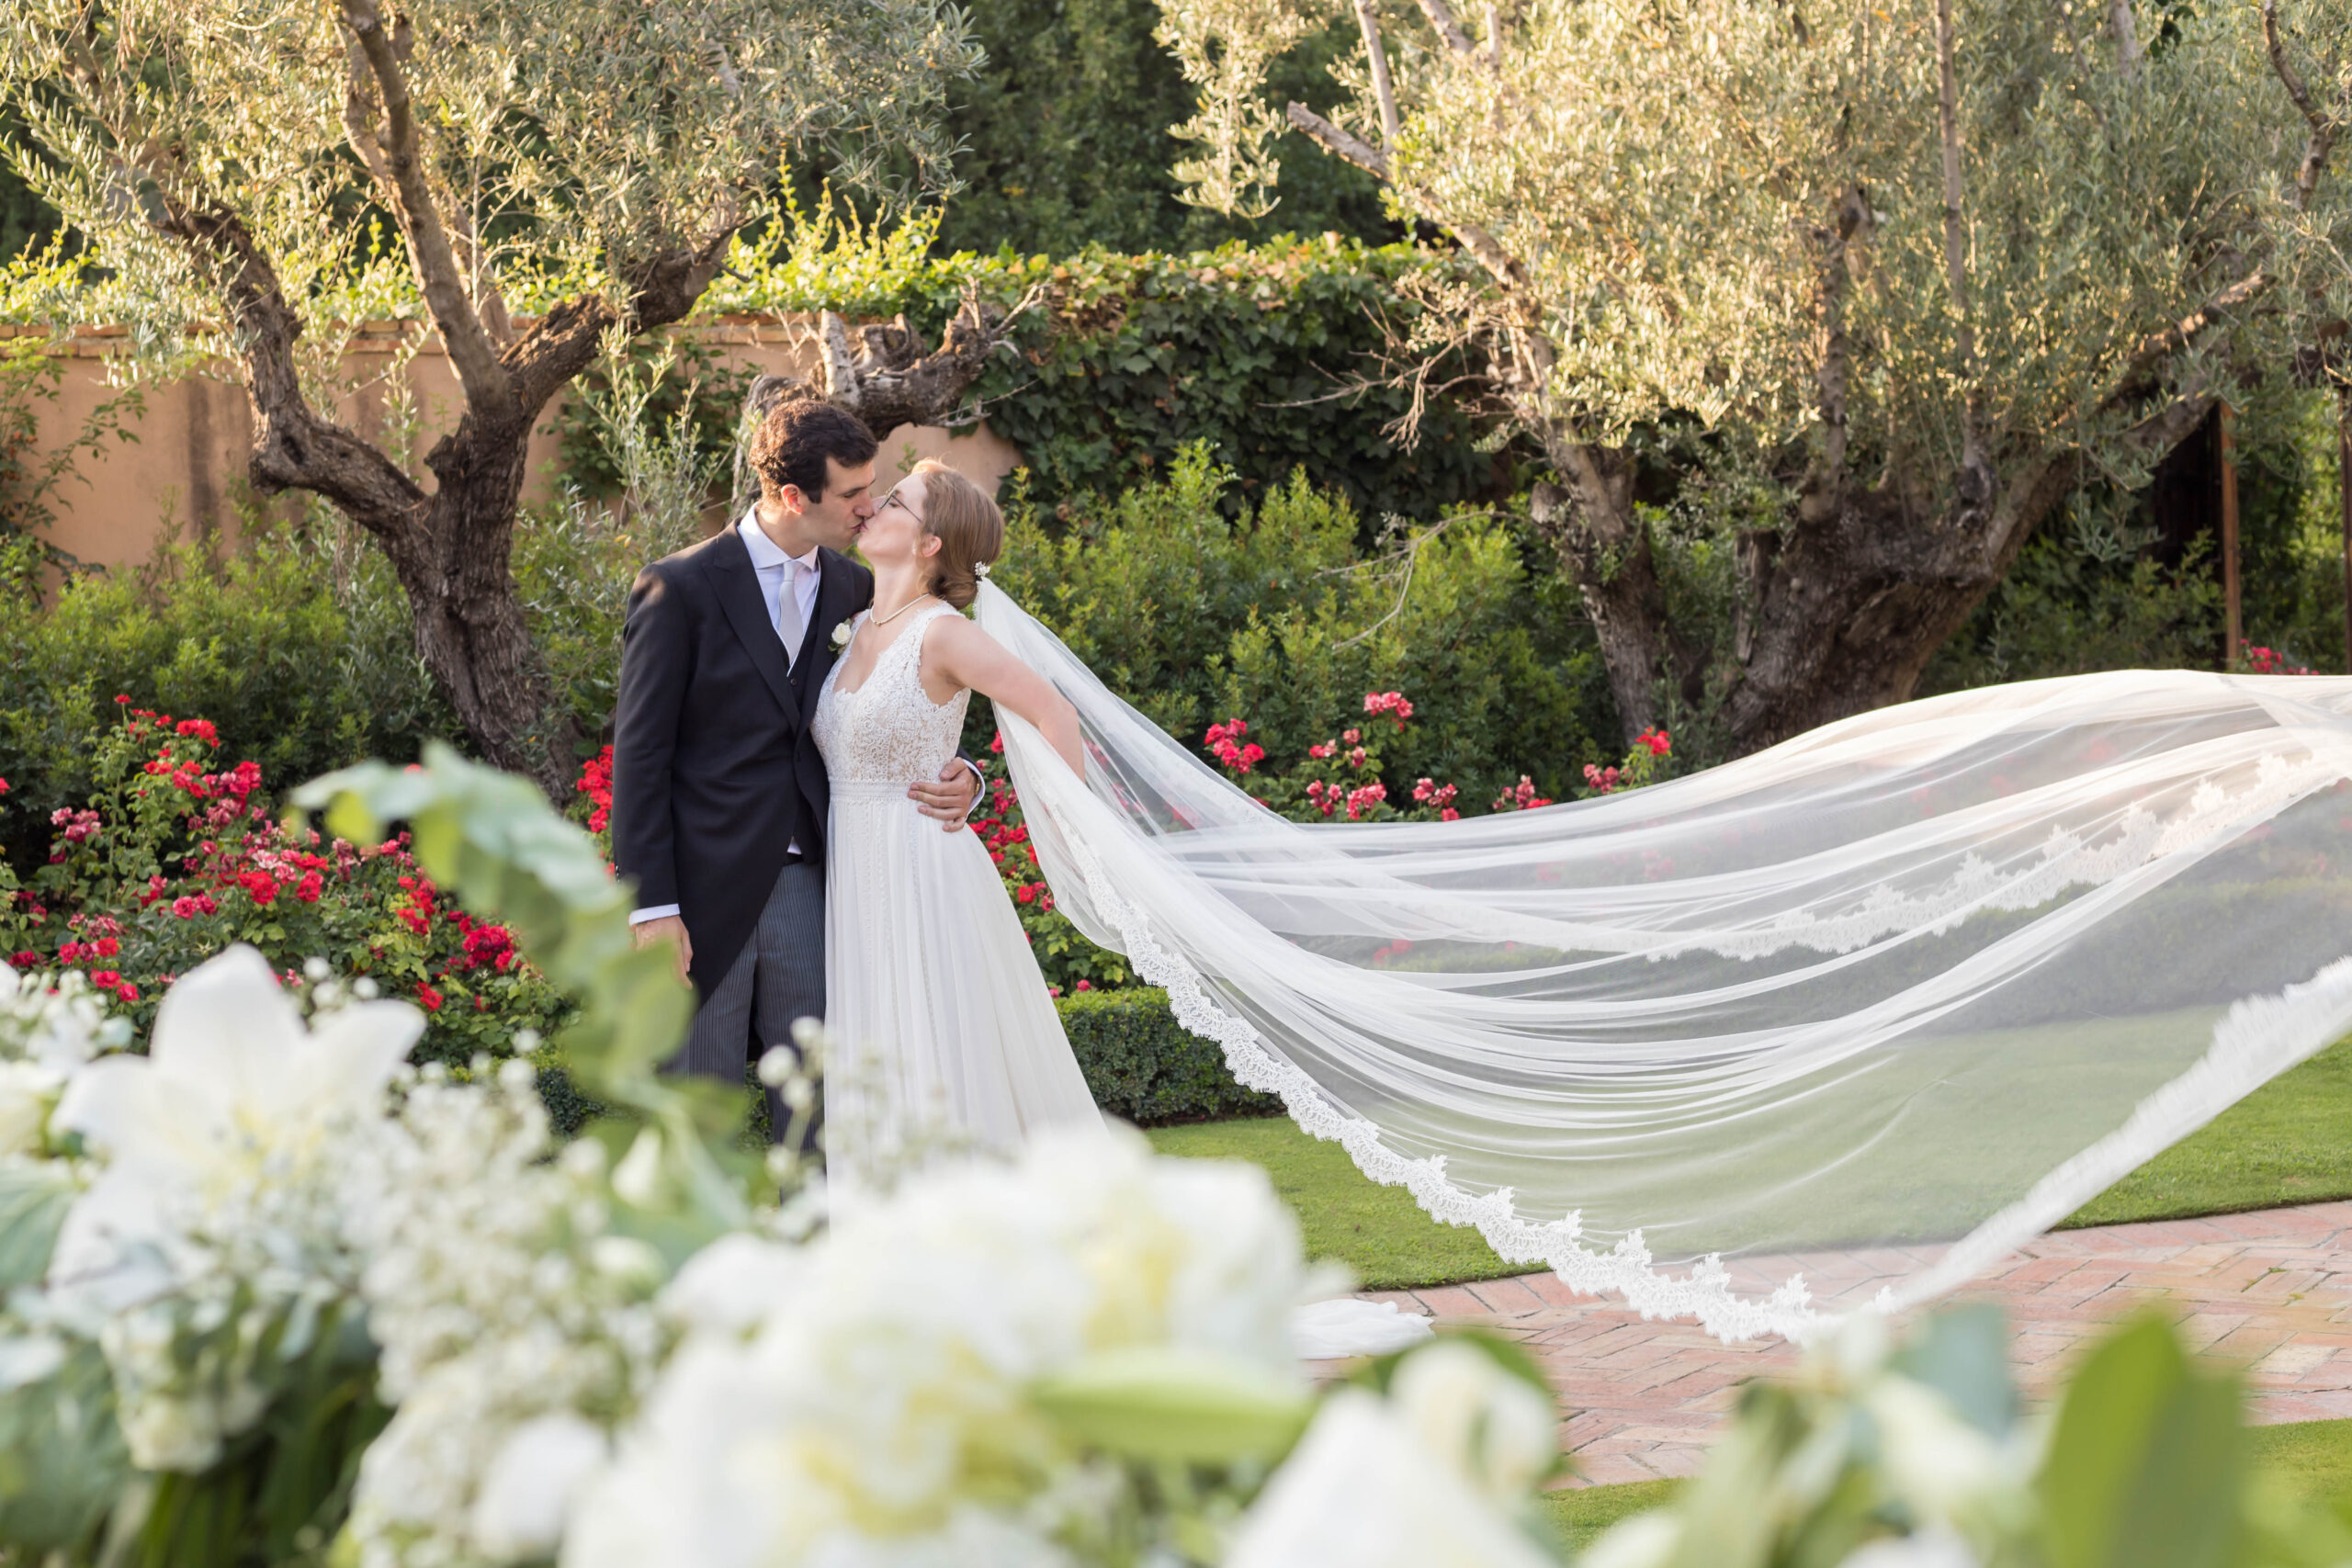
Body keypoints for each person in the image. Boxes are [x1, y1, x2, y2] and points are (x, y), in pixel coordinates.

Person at [609, 400, 980, 1138]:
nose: (868, 507)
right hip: (700, 896)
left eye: (872, 487)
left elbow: (922, 694)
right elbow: (638, 755)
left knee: (820, 1118)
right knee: (698, 1117)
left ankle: (817, 1253)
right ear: (791, 496)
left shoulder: (856, 590)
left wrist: (966, 771)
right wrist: (652, 907)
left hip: (815, 887)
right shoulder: (677, 587)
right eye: (851, 494)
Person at [809, 460, 1102, 1188]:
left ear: (930, 542)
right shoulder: (856, 619)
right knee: (877, 1059)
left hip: (921, 875)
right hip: (854, 878)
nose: (874, 504)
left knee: (934, 1055)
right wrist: (967, 767)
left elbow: (1054, 712)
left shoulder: (942, 633)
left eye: (896, 500)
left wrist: (1066, 838)